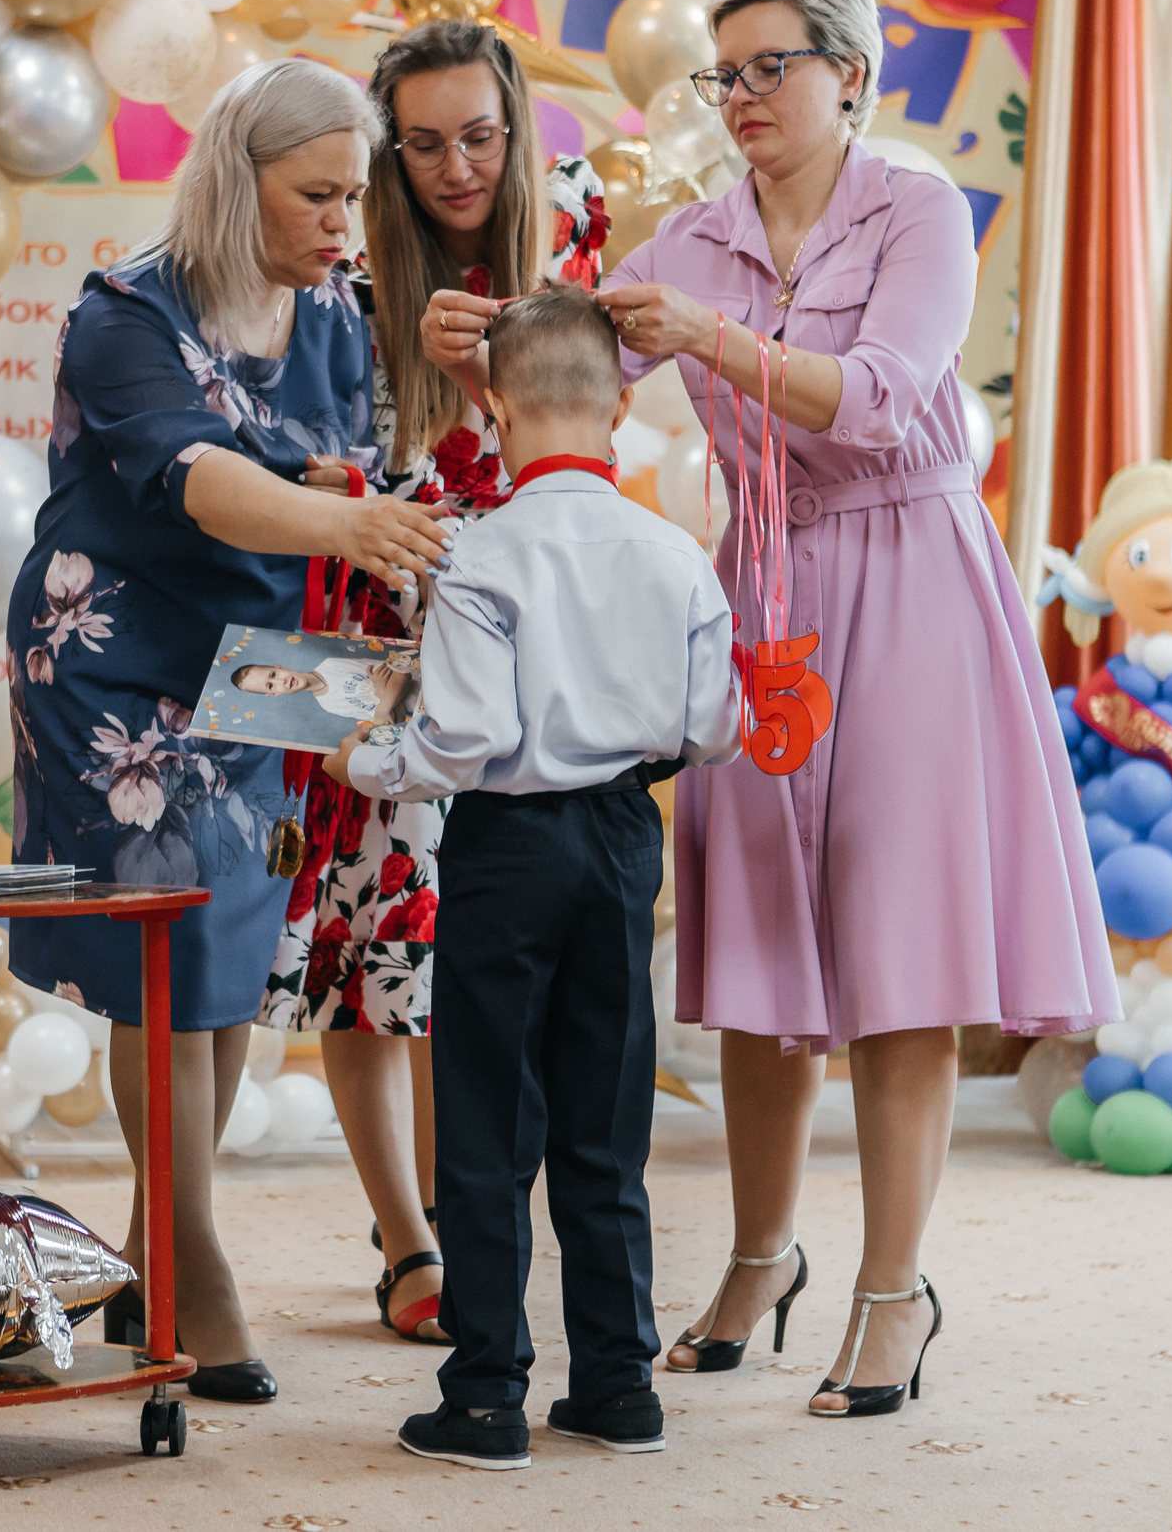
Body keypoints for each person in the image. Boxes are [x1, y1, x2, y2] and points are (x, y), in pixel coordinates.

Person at [429, 0, 1115, 1419]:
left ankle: (892, 1287)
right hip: (762, 595)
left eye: (768, 68)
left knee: (897, 944)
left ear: (849, 76)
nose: (738, 95)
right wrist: (480, 334)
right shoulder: (690, 238)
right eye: (721, 74)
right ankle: (758, 1256)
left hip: (914, 574)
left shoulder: (917, 206)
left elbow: (882, 402)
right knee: (753, 947)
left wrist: (717, 337)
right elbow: (573, 356)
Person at [5, 58, 452, 1405]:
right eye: (315, 193)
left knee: (236, 947)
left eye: (352, 195)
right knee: (169, 958)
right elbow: (197, 477)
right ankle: (197, 1261)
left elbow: (348, 464)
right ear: (232, 175)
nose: (341, 221)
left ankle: (155, 1249)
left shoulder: (337, 315)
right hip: (118, 660)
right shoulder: (125, 312)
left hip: (281, 658)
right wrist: (339, 517)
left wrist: (350, 498)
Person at [328, 285, 743, 1470]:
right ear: (620, 405)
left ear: (496, 407)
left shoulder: (481, 552)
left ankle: (486, 1397)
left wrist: (359, 753)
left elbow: (454, 743)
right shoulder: (677, 557)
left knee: (488, 1124)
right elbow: (714, 729)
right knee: (605, 1120)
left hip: (508, 849)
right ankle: (617, 1385)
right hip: (622, 841)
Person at [257, 19, 609, 1350]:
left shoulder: (573, 214)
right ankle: (408, 1233)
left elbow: (581, 424)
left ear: (519, 129)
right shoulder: (344, 231)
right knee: (368, 928)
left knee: (502, 932)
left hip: (519, 607)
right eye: (421, 143)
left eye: (477, 136)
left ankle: (495, 1221)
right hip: (356, 614)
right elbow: (287, 434)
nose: (453, 167)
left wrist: (491, 367)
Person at [232, 651, 415, 722]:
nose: (282, 682)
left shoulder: (331, 665)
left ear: (280, 667)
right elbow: (394, 719)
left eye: (274, 675)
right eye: (271, 686)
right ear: (274, 694)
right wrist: (382, 690)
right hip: (422, 714)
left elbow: (402, 676)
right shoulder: (329, 705)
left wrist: (384, 702)